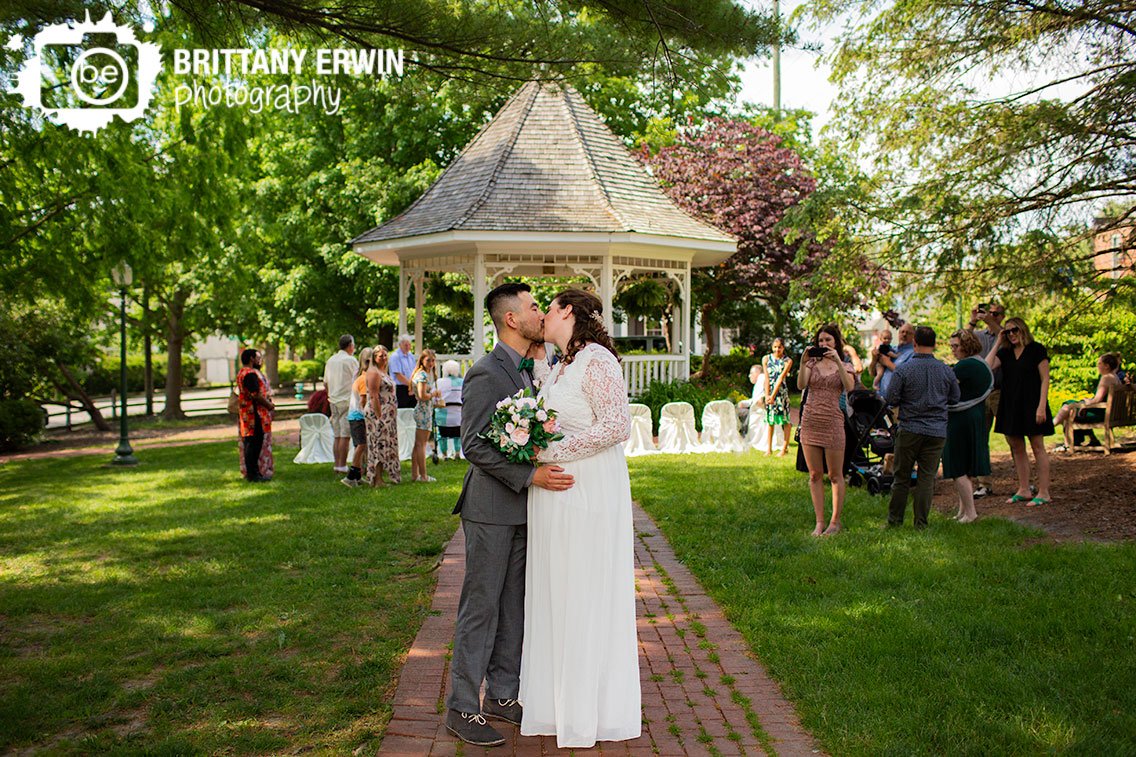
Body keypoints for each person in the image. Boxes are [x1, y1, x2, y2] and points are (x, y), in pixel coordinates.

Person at [445, 283, 574, 748]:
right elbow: (473, 444)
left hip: (523, 513)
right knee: (480, 607)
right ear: (512, 320)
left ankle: (502, 695)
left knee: (515, 607)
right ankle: (462, 705)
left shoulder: (526, 369)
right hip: (491, 511)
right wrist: (530, 476)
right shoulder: (486, 372)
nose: (542, 312)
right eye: (535, 306)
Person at [522, 288, 640, 749]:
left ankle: (592, 709)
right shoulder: (558, 366)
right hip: (554, 495)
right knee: (556, 591)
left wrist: (552, 452)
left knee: (584, 589)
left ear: (567, 311)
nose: (542, 317)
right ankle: (556, 704)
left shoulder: (597, 360)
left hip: (588, 488)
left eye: (547, 309)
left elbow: (616, 426)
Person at [885, 326, 960, 528]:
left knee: (901, 478)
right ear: (935, 344)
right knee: (927, 479)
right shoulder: (946, 370)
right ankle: (921, 524)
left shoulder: (904, 370)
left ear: (915, 343)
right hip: (936, 431)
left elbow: (891, 398)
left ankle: (895, 521)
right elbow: (955, 397)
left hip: (910, 429)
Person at [986, 317, 1053, 506]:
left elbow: (1045, 379)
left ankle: (1044, 491)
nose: (1012, 334)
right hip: (1010, 404)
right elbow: (987, 366)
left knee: (1037, 446)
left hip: (1032, 403)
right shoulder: (1006, 352)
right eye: (1007, 332)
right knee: (1016, 446)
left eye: (1014, 330)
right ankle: (1024, 489)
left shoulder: (1036, 350)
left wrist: (1041, 406)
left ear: (1023, 329)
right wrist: (998, 341)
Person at [797, 324, 856, 536]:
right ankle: (819, 522)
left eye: (828, 340)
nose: (823, 344)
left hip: (832, 421)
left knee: (834, 474)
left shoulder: (846, 365)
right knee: (814, 474)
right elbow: (801, 385)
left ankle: (835, 522)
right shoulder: (811, 364)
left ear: (836, 342)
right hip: (811, 420)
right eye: (820, 341)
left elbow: (849, 387)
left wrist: (838, 361)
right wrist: (803, 363)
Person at [943, 331, 994, 523]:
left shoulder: (965, 365)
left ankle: (970, 513)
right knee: (967, 467)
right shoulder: (981, 364)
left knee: (957, 466)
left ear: (966, 346)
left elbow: (946, 387)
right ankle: (962, 511)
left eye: (956, 346)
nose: (953, 350)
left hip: (960, 418)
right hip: (975, 416)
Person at [967, 302, 1006, 497]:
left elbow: (1006, 337)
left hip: (1001, 391)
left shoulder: (1007, 334)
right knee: (980, 438)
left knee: (1012, 437)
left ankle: (1027, 483)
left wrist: (992, 322)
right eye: (988, 313)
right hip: (981, 392)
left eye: (996, 314)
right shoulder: (979, 336)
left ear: (1002, 316)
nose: (991, 316)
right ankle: (984, 483)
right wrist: (973, 321)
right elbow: (963, 341)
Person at [1054, 352, 1121, 451]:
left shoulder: (1106, 378)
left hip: (1101, 414)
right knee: (1070, 405)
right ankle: (1069, 442)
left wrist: (1085, 404)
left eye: (1099, 364)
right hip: (1109, 413)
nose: (1097, 366)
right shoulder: (1115, 377)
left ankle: (1051, 428)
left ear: (1106, 366)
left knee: (1068, 407)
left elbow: (1097, 400)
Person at [364, 346, 400, 486]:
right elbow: (374, 396)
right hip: (377, 413)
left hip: (388, 414)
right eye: (380, 356)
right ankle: (377, 479)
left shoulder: (383, 371)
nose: (384, 358)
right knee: (378, 444)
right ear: (374, 358)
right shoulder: (373, 372)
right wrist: (379, 417)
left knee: (385, 444)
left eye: (385, 355)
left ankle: (383, 477)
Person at [237, 348, 275, 482]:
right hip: (254, 415)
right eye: (257, 357)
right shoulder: (249, 374)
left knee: (250, 444)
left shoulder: (242, 373)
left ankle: (255, 473)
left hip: (247, 414)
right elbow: (256, 395)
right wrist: (269, 405)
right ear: (251, 359)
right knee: (253, 445)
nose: (260, 360)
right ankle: (253, 475)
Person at [323, 334, 358, 474]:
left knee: (337, 435)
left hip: (333, 399)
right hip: (346, 400)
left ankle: (337, 464)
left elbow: (325, 383)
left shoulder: (331, 360)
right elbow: (358, 379)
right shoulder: (350, 360)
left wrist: (331, 394)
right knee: (345, 435)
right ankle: (342, 465)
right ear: (350, 346)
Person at [342, 347, 372, 487]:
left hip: (355, 416)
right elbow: (363, 401)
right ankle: (350, 476)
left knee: (360, 446)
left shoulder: (360, 376)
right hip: (358, 417)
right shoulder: (364, 379)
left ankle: (357, 476)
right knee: (361, 445)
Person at [411, 349, 442, 482]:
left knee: (418, 444)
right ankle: (423, 476)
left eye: (433, 360)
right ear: (422, 361)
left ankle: (415, 474)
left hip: (425, 411)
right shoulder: (422, 376)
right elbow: (422, 395)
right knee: (422, 445)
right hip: (423, 412)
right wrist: (433, 394)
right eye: (428, 360)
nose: (431, 363)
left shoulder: (423, 374)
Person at [762, 338, 793, 456]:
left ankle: (784, 448)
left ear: (783, 348)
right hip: (769, 392)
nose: (777, 349)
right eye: (775, 347)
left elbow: (780, 378)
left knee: (785, 420)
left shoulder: (787, 361)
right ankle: (768, 449)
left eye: (779, 347)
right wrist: (767, 395)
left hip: (781, 393)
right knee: (770, 420)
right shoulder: (766, 359)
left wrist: (773, 395)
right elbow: (766, 378)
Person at [435, 359, 464, 460]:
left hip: (443, 416)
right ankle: (457, 452)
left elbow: (435, 398)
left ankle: (444, 454)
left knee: (442, 435)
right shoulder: (462, 382)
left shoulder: (439, 382)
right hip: (457, 416)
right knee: (457, 435)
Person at [878, 321, 915, 396]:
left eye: (908, 333)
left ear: (914, 336)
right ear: (898, 334)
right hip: (880, 400)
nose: (904, 334)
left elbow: (907, 376)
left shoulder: (913, 354)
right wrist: (874, 359)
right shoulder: (890, 349)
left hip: (897, 403)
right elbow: (872, 373)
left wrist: (888, 363)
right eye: (902, 332)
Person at [390, 334, 417, 410]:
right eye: (405, 345)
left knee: (412, 411)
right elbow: (398, 375)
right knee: (402, 412)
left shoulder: (410, 356)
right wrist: (411, 385)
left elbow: (415, 371)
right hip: (400, 389)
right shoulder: (395, 356)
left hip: (411, 387)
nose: (408, 347)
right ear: (400, 345)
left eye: (409, 345)